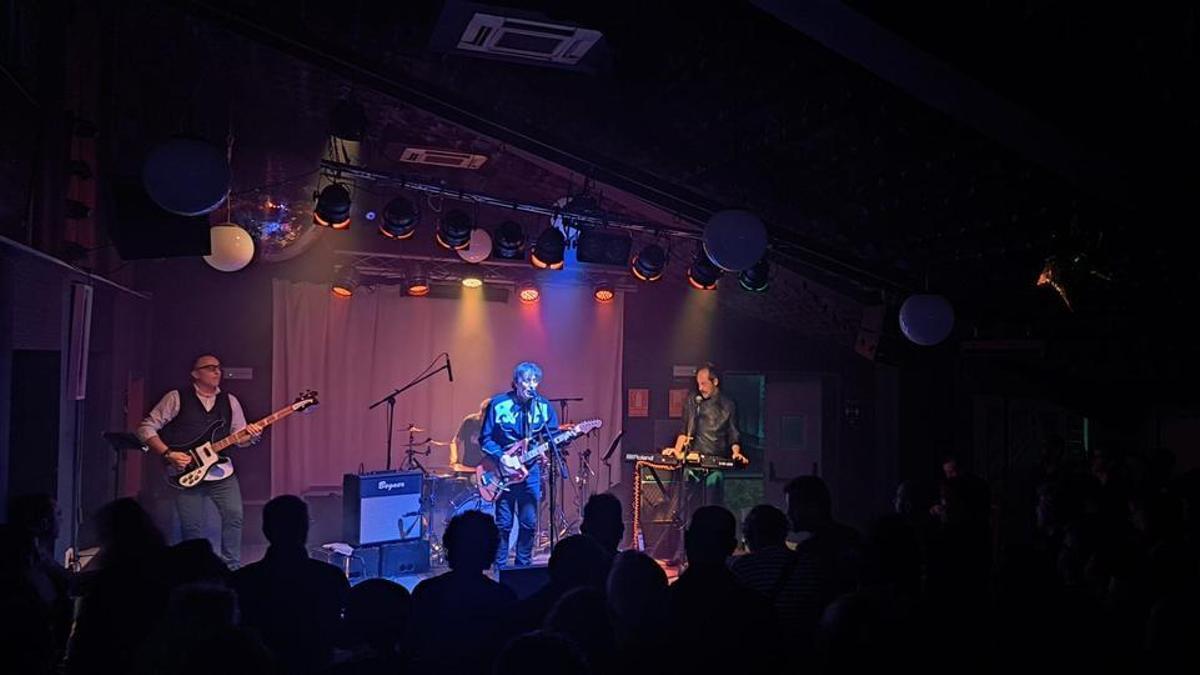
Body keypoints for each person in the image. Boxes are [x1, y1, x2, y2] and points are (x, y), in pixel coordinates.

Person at [136, 354, 262, 569]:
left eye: (219, 368)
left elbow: (240, 439)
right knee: (191, 527)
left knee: (234, 516)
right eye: (210, 368)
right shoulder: (176, 398)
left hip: (221, 471)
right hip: (186, 472)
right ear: (195, 374)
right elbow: (145, 428)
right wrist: (168, 454)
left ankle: (232, 569)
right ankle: (194, 571)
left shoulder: (230, 401)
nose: (217, 372)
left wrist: (251, 436)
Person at [481, 361, 560, 567]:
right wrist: (502, 456)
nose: (531, 385)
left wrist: (568, 437)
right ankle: (500, 568)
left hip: (530, 470)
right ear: (516, 382)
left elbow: (553, 436)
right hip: (503, 471)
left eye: (535, 381)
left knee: (529, 523)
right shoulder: (498, 404)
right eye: (526, 380)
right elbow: (485, 438)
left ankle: (523, 567)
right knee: (503, 524)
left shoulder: (543, 406)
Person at [662, 362, 746, 508]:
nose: (700, 388)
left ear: (715, 382)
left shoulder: (728, 405)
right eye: (698, 384)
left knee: (713, 502)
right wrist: (677, 450)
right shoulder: (693, 401)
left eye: (704, 384)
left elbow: (734, 433)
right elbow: (684, 429)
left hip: (715, 461)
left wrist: (736, 453)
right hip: (693, 460)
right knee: (687, 503)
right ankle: (686, 528)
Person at [450, 398, 491, 471]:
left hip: (488, 468)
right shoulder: (470, 422)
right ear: (481, 413)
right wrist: (454, 460)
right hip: (469, 467)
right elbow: (455, 441)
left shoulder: (495, 426)